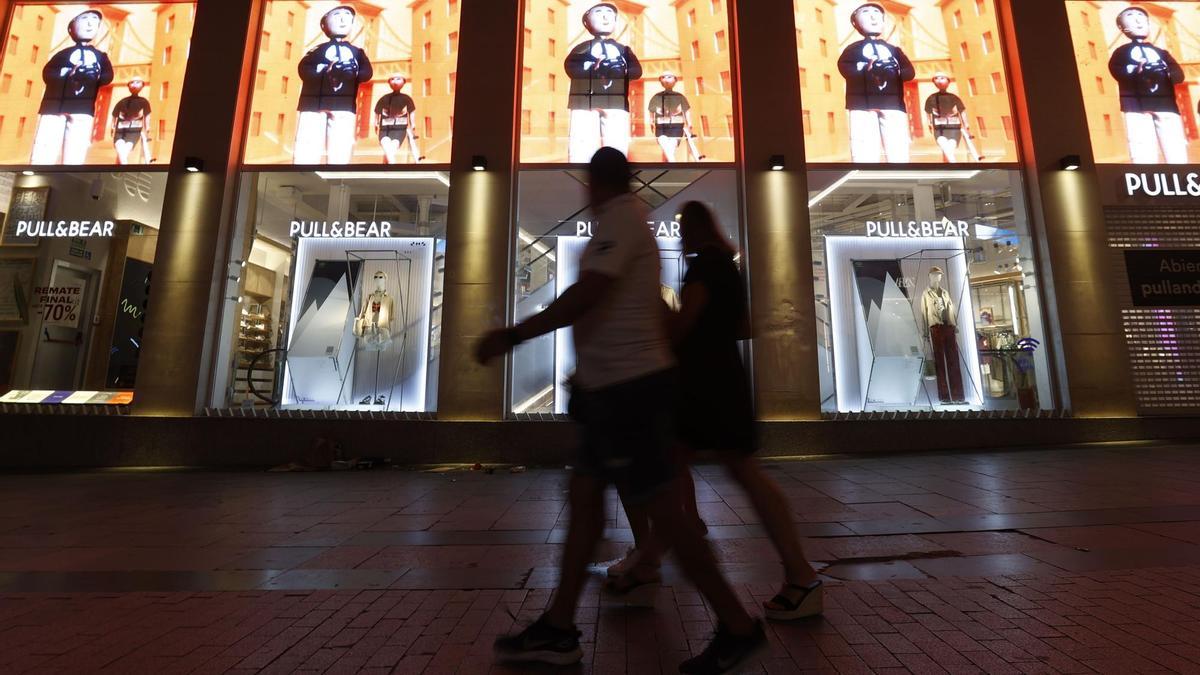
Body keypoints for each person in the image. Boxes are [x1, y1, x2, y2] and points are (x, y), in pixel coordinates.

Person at [481, 149, 765, 674]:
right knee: (587, 503)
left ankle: (737, 626)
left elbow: (590, 294)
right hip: (609, 389)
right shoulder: (623, 224)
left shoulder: (623, 220)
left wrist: (515, 334)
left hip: (630, 393)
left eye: (588, 184)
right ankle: (559, 627)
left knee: (666, 516)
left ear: (596, 183)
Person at [605, 202, 824, 623]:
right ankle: (649, 563)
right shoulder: (727, 265)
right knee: (700, 472)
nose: (680, 233)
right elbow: (744, 327)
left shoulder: (704, 268)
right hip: (724, 381)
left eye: (684, 226)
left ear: (695, 229)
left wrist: (650, 305)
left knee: (678, 474)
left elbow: (681, 327)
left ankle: (798, 574)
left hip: (705, 387)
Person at [32, 9, 114, 165]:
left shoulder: (101, 57)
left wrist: (94, 76)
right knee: (43, 152)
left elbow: (107, 76)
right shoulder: (62, 54)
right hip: (53, 108)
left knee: (74, 155)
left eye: (95, 20)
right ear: (72, 27)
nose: (90, 23)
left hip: (82, 109)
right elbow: (48, 73)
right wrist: (68, 73)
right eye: (84, 18)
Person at [294, 5, 373, 164]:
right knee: (308, 144)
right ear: (324, 24)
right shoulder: (316, 50)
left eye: (348, 16)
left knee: (341, 147)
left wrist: (353, 72)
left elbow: (367, 72)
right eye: (337, 15)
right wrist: (323, 71)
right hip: (313, 104)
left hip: (344, 104)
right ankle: (303, 172)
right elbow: (304, 68)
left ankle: (338, 173)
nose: (343, 19)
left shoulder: (358, 52)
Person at [565, 3, 643, 162]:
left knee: (617, 143)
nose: (605, 16)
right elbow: (571, 68)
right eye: (599, 12)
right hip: (584, 102)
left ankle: (616, 173)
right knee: (582, 145)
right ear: (586, 21)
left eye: (610, 13)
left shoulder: (623, 50)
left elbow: (637, 71)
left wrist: (620, 71)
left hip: (616, 101)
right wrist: (593, 69)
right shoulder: (581, 48)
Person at [837, 3, 915, 163]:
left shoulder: (894, 50)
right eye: (865, 12)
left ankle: (901, 176)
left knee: (898, 149)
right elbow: (845, 68)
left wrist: (894, 71)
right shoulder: (852, 49)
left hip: (893, 104)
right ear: (855, 22)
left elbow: (909, 72)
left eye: (877, 13)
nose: (873, 16)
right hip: (862, 104)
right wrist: (866, 70)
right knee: (864, 149)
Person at [1108, 6, 1186, 164]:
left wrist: (1165, 72)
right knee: (1142, 149)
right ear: (1121, 27)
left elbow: (1178, 75)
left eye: (1142, 17)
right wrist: (1136, 70)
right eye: (1131, 16)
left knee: (1175, 148)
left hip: (1166, 104)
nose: (1138, 20)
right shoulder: (1121, 52)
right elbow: (1117, 70)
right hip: (1136, 106)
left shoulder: (1162, 53)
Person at [648, 72, 704, 162]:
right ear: (660, 80)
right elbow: (651, 110)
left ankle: (671, 163)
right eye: (663, 77)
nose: (666, 79)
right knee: (663, 141)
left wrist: (689, 123)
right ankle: (672, 163)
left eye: (669, 77)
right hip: (661, 127)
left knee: (672, 145)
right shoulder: (656, 97)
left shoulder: (680, 97)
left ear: (675, 80)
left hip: (676, 126)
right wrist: (651, 121)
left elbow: (686, 110)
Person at [924, 73, 979, 163]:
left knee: (949, 147)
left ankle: (951, 165)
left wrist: (966, 124)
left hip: (954, 128)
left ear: (948, 81)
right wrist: (929, 123)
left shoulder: (954, 98)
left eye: (942, 78)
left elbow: (962, 111)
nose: (939, 80)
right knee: (944, 145)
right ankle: (953, 165)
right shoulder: (931, 98)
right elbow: (927, 111)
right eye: (936, 78)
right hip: (939, 129)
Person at [374, 75, 423, 164]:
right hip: (384, 130)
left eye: (398, 79)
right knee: (386, 146)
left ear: (404, 82)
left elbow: (411, 111)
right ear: (389, 82)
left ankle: (387, 168)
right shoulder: (384, 98)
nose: (395, 81)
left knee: (391, 149)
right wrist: (375, 123)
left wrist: (413, 124)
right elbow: (377, 111)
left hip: (400, 130)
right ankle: (392, 168)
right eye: (392, 79)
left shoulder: (407, 99)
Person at [112, 78, 153, 165]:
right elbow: (115, 114)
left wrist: (147, 127)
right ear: (128, 85)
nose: (134, 84)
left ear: (142, 85)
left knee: (124, 153)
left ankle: (119, 171)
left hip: (134, 133)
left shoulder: (144, 102)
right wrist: (112, 127)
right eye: (132, 82)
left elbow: (147, 116)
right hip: (120, 132)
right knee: (121, 152)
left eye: (138, 82)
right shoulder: (122, 101)